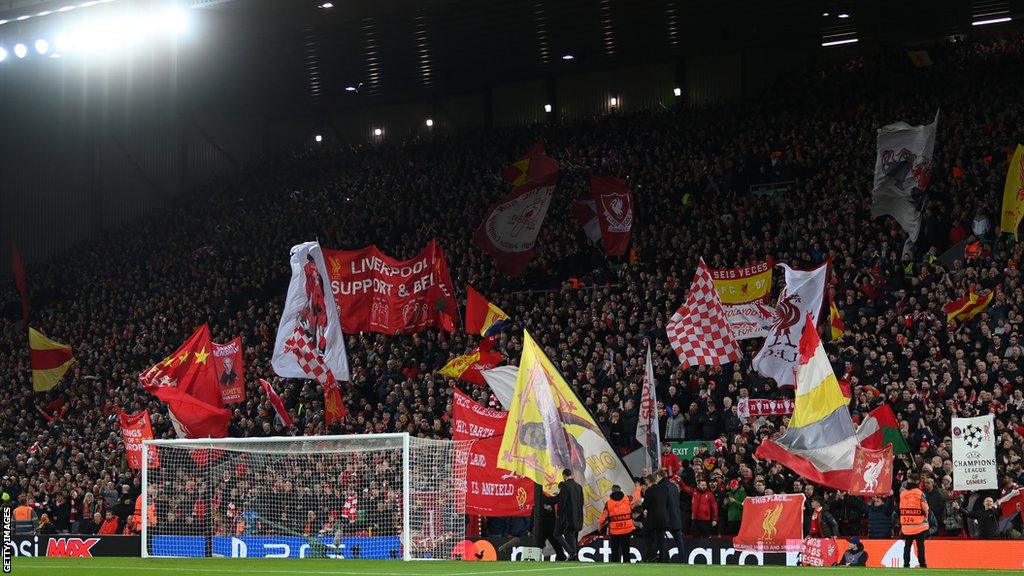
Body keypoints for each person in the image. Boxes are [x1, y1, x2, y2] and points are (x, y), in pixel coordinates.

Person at [599, 482, 642, 563]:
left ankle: (615, 565)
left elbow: (604, 516)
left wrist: (600, 525)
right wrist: (637, 487)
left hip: (615, 530)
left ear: (612, 491)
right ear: (620, 490)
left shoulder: (608, 503)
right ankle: (627, 564)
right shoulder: (627, 498)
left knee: (615, 549)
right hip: (627, 529)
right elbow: (636, 497)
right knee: (626, 549)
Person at [899, 472, 929, 568]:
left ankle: (906, 564)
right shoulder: (920, 493)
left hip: (906, 524)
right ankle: (922, 564)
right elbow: (925, 508)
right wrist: (926, 516)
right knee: (920, 546)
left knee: (907, 546)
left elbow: (900, 508)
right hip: (919, 525)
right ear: (918, 482)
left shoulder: (902, 494)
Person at [554, 468, 583, 561]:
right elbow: (581, 502)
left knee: (556, 534)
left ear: (564, 476)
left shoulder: (565, 486)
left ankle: (571, 553)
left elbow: (562, 502)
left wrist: (558, 514)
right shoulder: (579, 487)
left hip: (566, 516)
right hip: (577, 515)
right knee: (571, 535)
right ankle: (574, 556)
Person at [641, 472, 670, 562]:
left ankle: (651, 555)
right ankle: (664, 558)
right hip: (664, 517)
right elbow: (667, 503)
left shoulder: (649, 491)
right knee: (661, 538)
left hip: (654, 519)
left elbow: (645, 505)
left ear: (648, 481)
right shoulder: (663, 489)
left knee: (647, 534)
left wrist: (645, 509)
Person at [660, 470, 684, 563]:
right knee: (679, 540)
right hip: (676, 516)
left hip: (666, 518)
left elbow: (663, 503)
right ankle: (682, 560)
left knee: (661, 539)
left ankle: (664, 559)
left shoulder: (662, 487)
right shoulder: (674, 486)